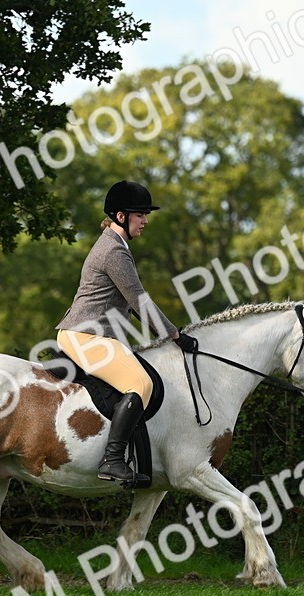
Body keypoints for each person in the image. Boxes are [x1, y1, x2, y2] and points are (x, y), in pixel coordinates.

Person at [56, 180, 198, 484]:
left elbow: (131, 305)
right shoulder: (113, 251)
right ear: (121, 216)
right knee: (140, 384)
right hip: (85, 336)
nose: (145, 221)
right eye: (140, 215)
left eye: (145, 216)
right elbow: (138, 301)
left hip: (91, 334)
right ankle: (112, 460)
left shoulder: (115, 245)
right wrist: (175, 335)